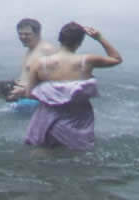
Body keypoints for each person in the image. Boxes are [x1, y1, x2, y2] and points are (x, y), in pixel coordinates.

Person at [13, 22, 122, 152]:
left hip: (46, 118)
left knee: (43, 155)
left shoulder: (39, 64)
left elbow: (29, 94)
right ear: (80, 42)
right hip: (78, 119)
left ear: (60, 39)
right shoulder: (87, 60)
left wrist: (24, 91)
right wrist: (99, 38)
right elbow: (116, 59)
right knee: (76, 157)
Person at [0, 18, 59, 106]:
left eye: (27, 34)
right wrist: (13, 85)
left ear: (38, 33)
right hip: (24, 99)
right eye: (20, 34)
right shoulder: (30, 49)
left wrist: (25, 90)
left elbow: (57, 80)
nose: (23, 37)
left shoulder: (47, 50)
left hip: (37, 103)